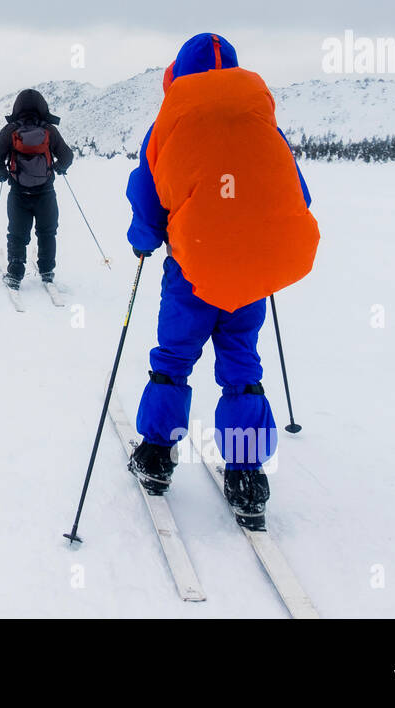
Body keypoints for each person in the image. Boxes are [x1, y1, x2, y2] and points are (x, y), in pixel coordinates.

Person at [124, 34, 318, 528]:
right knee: (240, 365)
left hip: (191, 269)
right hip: (250, 274)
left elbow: (148, 193)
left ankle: (156, 457)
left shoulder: (169, 121)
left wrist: (144, 239)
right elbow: (297, 193)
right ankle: (247, 475)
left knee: (173, 359)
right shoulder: (259, 120)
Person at [0, 89, 74, 288]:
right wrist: (58, 169)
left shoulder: (11, 130)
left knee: (17, 234)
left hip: (18, 192)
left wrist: (2, 174)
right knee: (47, 232)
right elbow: (67, 156)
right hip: (46, 192)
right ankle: (47, 271)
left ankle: (15, 274)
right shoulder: (49, 130)